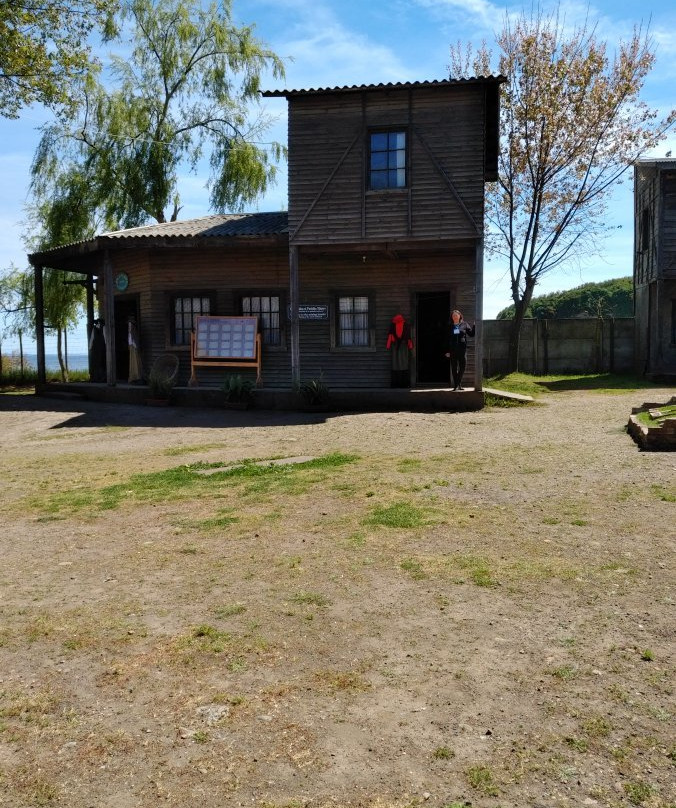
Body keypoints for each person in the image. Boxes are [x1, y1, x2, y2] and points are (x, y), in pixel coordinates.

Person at [445, 309, 475, 390]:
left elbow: (471, 334)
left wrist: (475, 326)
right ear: (452, 317)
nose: (454, 316)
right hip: (452, 350)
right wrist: (447, 351)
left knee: (463, 367)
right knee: (454, 368)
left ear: (459, 316)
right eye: (453, 315)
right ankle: (456, 386)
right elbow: (446, 339)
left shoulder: (464, 324)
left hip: (462, 349)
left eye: (456, 315)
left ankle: (458, 384)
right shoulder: (450, 326)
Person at [386, 313, 413, 388]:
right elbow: (408, 337)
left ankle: (395, 384)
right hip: (404, 347)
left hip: (395, 347)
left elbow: (390, 336)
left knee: (395, 365)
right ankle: (404, 384)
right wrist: (410, 346)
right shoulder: (406, 326)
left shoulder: (392, 325)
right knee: (404, 365)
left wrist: (388, 346)